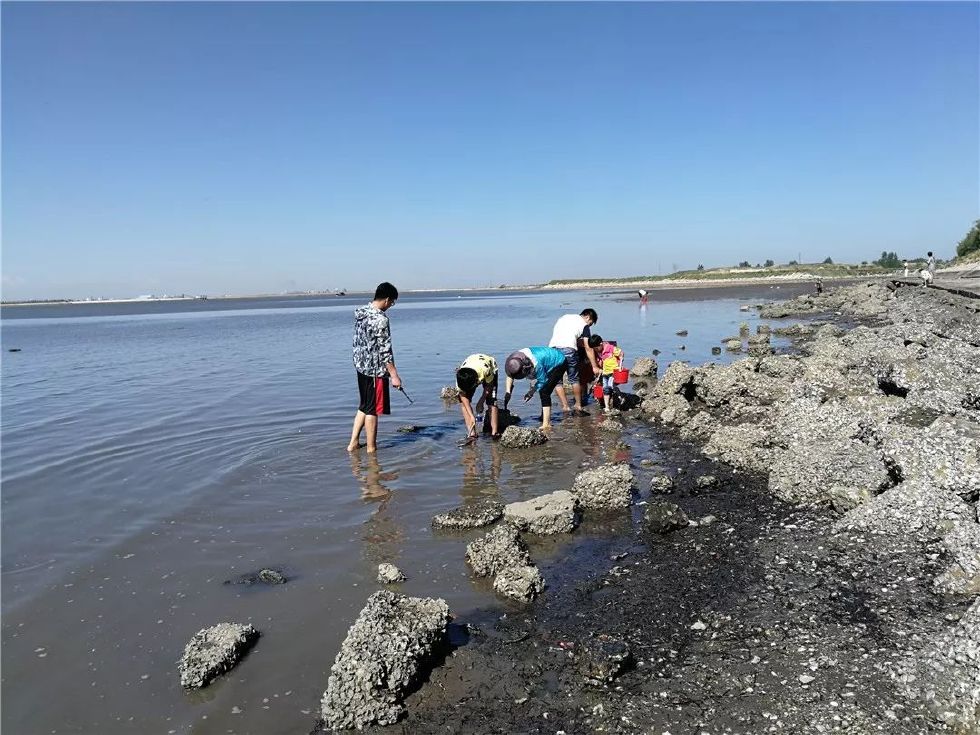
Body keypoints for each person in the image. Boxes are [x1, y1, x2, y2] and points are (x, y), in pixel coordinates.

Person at [347, 282, 401, 453]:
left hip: (360, 366)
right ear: (386, 300)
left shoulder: (361, 312)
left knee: (364, 405)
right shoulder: (381, 319)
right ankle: (371, 449)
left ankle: (353, 443)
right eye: (392, 302)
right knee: (372, 410)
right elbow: (385, 352)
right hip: (374, 371)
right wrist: (394, 375)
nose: (391, 306)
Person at [548, 308, 600, 416]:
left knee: (557, 381)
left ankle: (565, 406)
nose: (589, 326)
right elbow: (588, 347)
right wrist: (594, 366)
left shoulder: (563, 317)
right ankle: (578, 405)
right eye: (590, 324)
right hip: (568, 350)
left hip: (552, 350)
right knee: (574, 379)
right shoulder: (583, 325)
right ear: (588, 317)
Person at [503, 347, 570, 429]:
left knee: (545, 391)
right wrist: (508, 392)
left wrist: (531, 392)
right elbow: (511, 375)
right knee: (544, 390)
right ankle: (543, 416)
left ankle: (546, 424)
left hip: (559, 362)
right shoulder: (513, 361)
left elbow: (542, 381)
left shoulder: (536, 365)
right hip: (547, 358)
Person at [455, 353, 500, 444]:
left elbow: (489, 386)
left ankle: (494, 433)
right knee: (463, 404)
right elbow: (463, 397)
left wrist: (481, 401)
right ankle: (472, 434)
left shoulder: (485, 370)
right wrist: (471, 415)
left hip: (489, 366)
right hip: (470, 366)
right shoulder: (460, 380)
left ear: (476, 382)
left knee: (492, 401)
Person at [597, 336, 624, 413]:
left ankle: (620, 396)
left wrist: (620, 366)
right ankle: (607, 407)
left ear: (601, 344)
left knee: (611, 386)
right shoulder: (599, 351)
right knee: (605, 389)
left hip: (613, 372)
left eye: (596, 348)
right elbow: (601, 361)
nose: (596, 350)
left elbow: (621, 353)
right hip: (605, 373)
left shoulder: (610, 348)